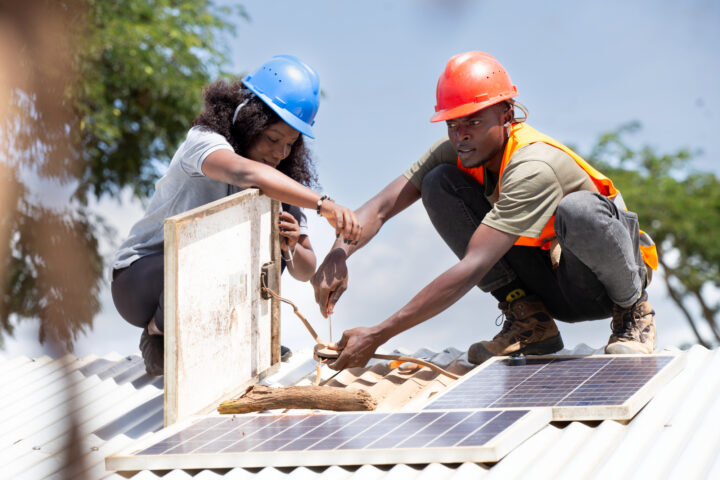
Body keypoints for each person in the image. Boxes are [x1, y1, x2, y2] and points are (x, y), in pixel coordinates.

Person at [311, 51, 658, 370]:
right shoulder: (459, 152)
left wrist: (379, 334)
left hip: (601, 286)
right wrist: (338, 255)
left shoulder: (533, 166)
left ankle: (634, 314)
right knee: (437, 181)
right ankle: (530, 322)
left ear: (506, 112)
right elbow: (383, 206)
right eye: (452, 124)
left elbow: (473, 266)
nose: (460, 135)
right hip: (551, 284)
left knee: (578, 209)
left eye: (473, 122)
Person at [111, 55, 360, 376]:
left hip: (205, 283)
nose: (281, 152)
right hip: (143, 281)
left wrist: (291, 244)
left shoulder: (283, 181)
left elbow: (305, 269)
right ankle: (158, 335)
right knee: (213, 252)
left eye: (290, 144)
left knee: (266, 246)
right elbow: (245, 173)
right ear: (249, 119)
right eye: (273, 139)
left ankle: (234, 339)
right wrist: (324, 203)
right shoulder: (204, 143)